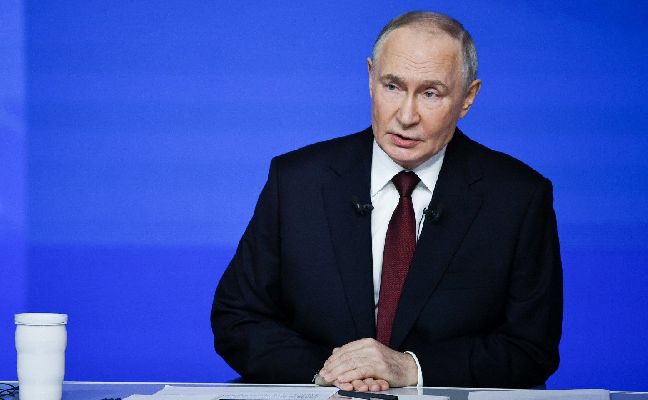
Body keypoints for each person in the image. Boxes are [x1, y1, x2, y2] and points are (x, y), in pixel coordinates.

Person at [211, 11, 562, 391]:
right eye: (392, 86)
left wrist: (411, 368)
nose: (406, 116)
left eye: (430, 93)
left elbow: (531, 347)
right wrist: (331, 373)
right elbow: (238, 318)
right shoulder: (297, 181)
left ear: (467, 98)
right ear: (370, 77)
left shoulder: (518, 197)